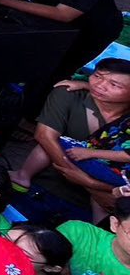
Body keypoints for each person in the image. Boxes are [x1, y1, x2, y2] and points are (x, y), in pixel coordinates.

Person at [21, 58, 130, 218]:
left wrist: (90, 183)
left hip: (100, 201)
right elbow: (44, 136)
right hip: (46, 187)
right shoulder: (70, 94)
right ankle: (22, 175)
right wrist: (88, 184)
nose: (99, 85)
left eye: (114, 85)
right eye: (97, 76)